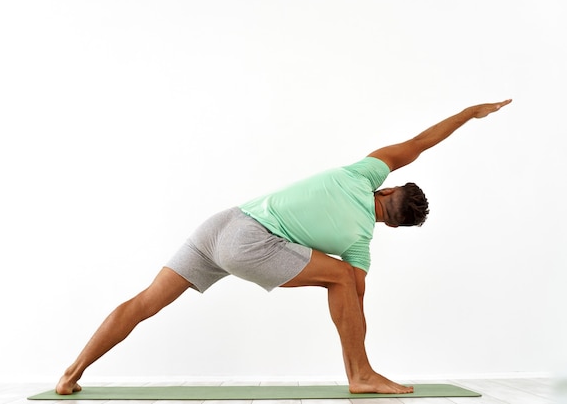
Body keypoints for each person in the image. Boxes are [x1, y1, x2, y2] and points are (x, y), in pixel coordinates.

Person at [55, 99, 512, 395]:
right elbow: (355, 297)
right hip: (249, 241)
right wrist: (359, 345)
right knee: (343, 280)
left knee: (144, 303)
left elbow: (416, 144)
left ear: (387, 189)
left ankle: (71, 373)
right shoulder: (359, 242)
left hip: (220, 224)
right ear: (393, 221)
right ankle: (360, 375)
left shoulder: (362, 174)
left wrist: (468, 113)